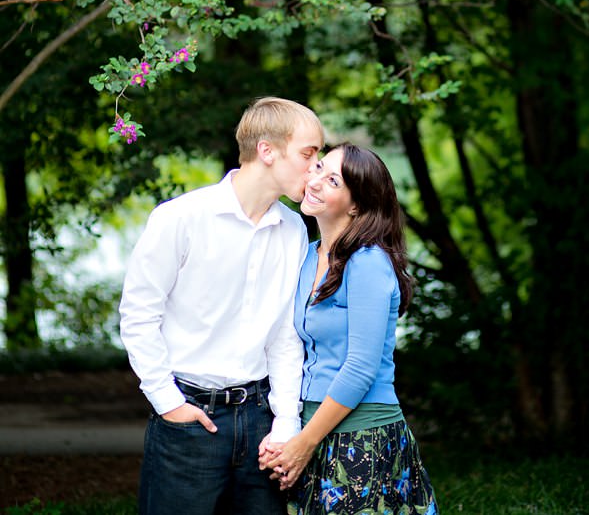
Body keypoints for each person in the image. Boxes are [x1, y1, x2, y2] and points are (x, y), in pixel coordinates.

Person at [120, 96, 325, 515]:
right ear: (267, 151)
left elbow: (285, 335)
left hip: (261, 421)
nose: (316, 167)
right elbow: (139, 315)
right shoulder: (179, 218)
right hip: (188, 418)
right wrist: (168, 402)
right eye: (309, 153)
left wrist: (286, 421)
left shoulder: (293, 231)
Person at [258, 143, 438, 515]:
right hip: (311, 429)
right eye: (319, 167)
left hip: (361, 435)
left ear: (356, 204)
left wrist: (305, 441)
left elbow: (360, 366)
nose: (316, 181)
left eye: (333, 180)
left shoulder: (368, 261)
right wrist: (289, 431)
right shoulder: (307, 254)